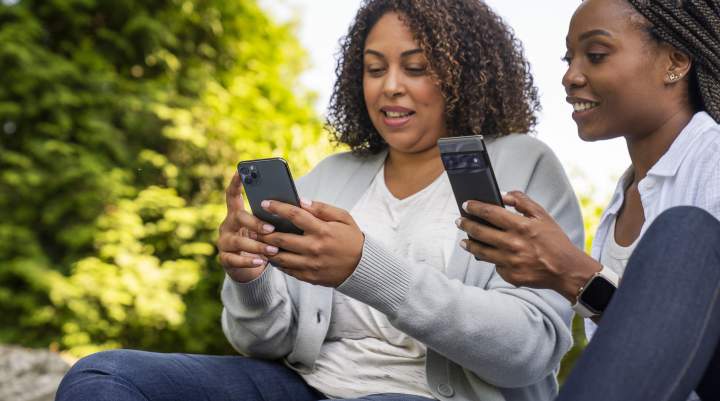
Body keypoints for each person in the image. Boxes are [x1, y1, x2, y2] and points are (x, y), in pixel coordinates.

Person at [55, 1, 583, 401]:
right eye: (375, 69)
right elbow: (263, 344)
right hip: (307, 387)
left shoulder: (522, 165)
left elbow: (527, 353)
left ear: (464, 73)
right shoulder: (332, 176)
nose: (390, 87)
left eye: (416, 68)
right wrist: (251, 279)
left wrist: (364, 267)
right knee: (103, 377)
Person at [454, 0, 720, 400]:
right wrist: (571, 277)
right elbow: (654, 346)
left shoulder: (713, 161)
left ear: (675, 62)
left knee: (685, 231)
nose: (570, 76)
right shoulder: (620, 206)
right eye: (569, 58)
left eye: (595, 55)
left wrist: (572, 272)